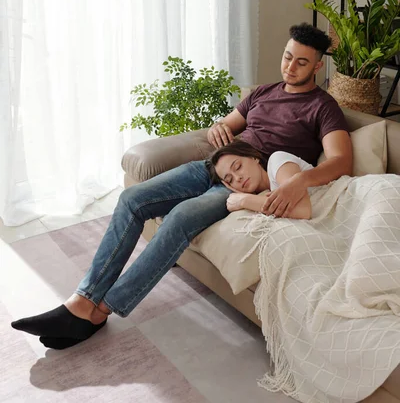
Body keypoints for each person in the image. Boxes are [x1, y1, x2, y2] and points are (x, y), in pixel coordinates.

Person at [11, 22, 352, 349]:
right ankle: (83, 298)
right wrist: (220, 126)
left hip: (242, 184)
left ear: (318, 66)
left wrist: (299, 182)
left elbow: (341, 162)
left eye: (301, 62)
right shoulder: (262, 93)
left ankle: (100, 311)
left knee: (179, 218)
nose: (290, 67)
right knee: (132, 198)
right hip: (211, 166)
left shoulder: (323, 107)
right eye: (287, 56)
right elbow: (228, 125)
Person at [206, 140, 313, 220]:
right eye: (230, 180)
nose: (237, 178)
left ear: (254, 157)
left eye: (238, 167)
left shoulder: (277, 161)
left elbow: (302, 210)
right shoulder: (261, 196)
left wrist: (243, 200)